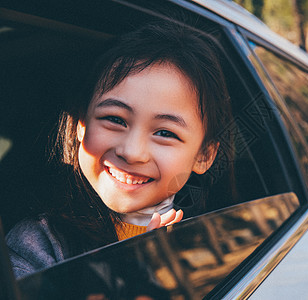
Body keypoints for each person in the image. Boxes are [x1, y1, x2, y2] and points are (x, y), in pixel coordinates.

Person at [6, 20, 232, 279]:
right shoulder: (40, 246)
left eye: (165, 133)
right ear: (81, 124)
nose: (132, 152)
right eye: (115, 119)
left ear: (204, 156)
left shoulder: (220, 242)